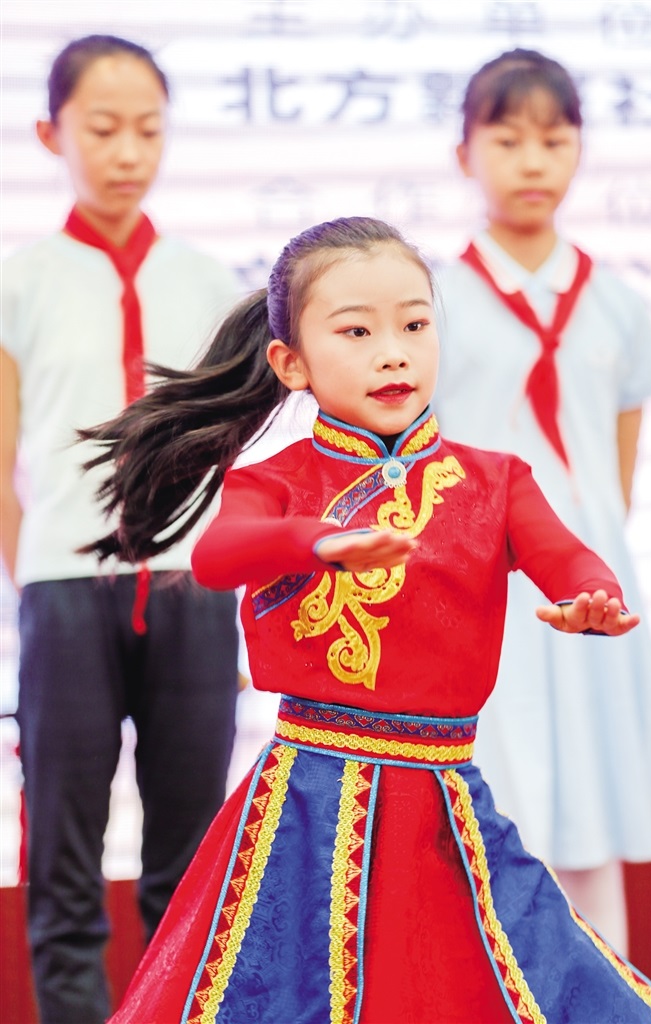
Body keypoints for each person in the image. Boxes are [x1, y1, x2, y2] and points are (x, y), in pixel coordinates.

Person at [79, 216, 651, 1023]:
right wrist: (317, 540)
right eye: (357, 332)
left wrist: (593, 597)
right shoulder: (273, 480)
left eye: (414, 325)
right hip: (307, 797)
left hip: (443, 797)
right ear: (290, 364)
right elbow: (219, 558)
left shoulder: (495, 480)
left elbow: (568, 558)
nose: (393, 352)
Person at [0, 36, 240, 1024]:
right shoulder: (19, 282)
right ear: (50, 133)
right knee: (63, 848)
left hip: (192, 591)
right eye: (102, 129)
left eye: (147, 129)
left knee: (190, 855)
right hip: (64, 591)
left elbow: (233, 453)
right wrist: (34, 583)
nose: (127, 151)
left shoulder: (210, 282)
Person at [434, 48, 651, 953]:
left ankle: (602, 994)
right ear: (465, 153)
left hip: (589, 589)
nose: (532, 162)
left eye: (554, 140)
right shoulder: (432, 303)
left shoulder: (615, 303)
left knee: (592, 802)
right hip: (485, 590)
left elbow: (616, 466)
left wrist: (581, 558)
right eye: (507, 141)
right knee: (496, 805)